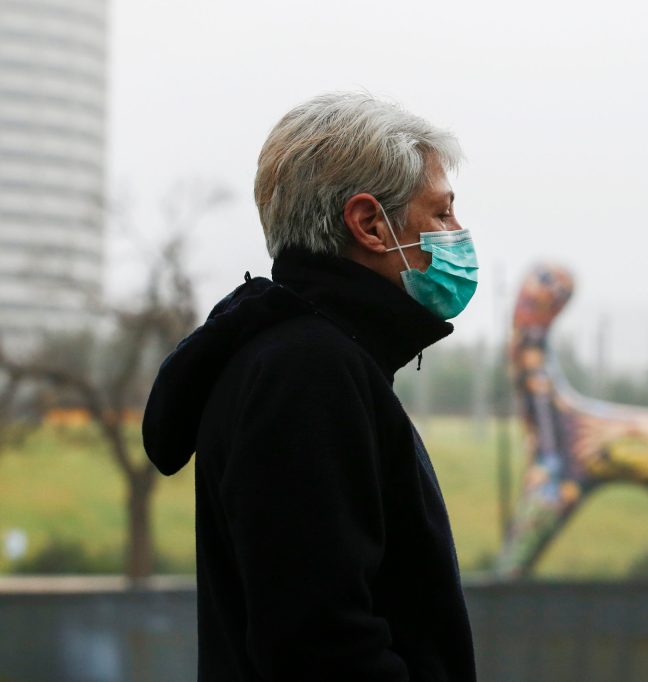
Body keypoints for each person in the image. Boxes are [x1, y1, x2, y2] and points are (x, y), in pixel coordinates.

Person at [142, 92, 478, 681]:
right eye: (441, 213)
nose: (457, 233)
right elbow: (323, 648)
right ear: (371, 224)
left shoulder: (309, 358)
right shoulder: (308, 375)